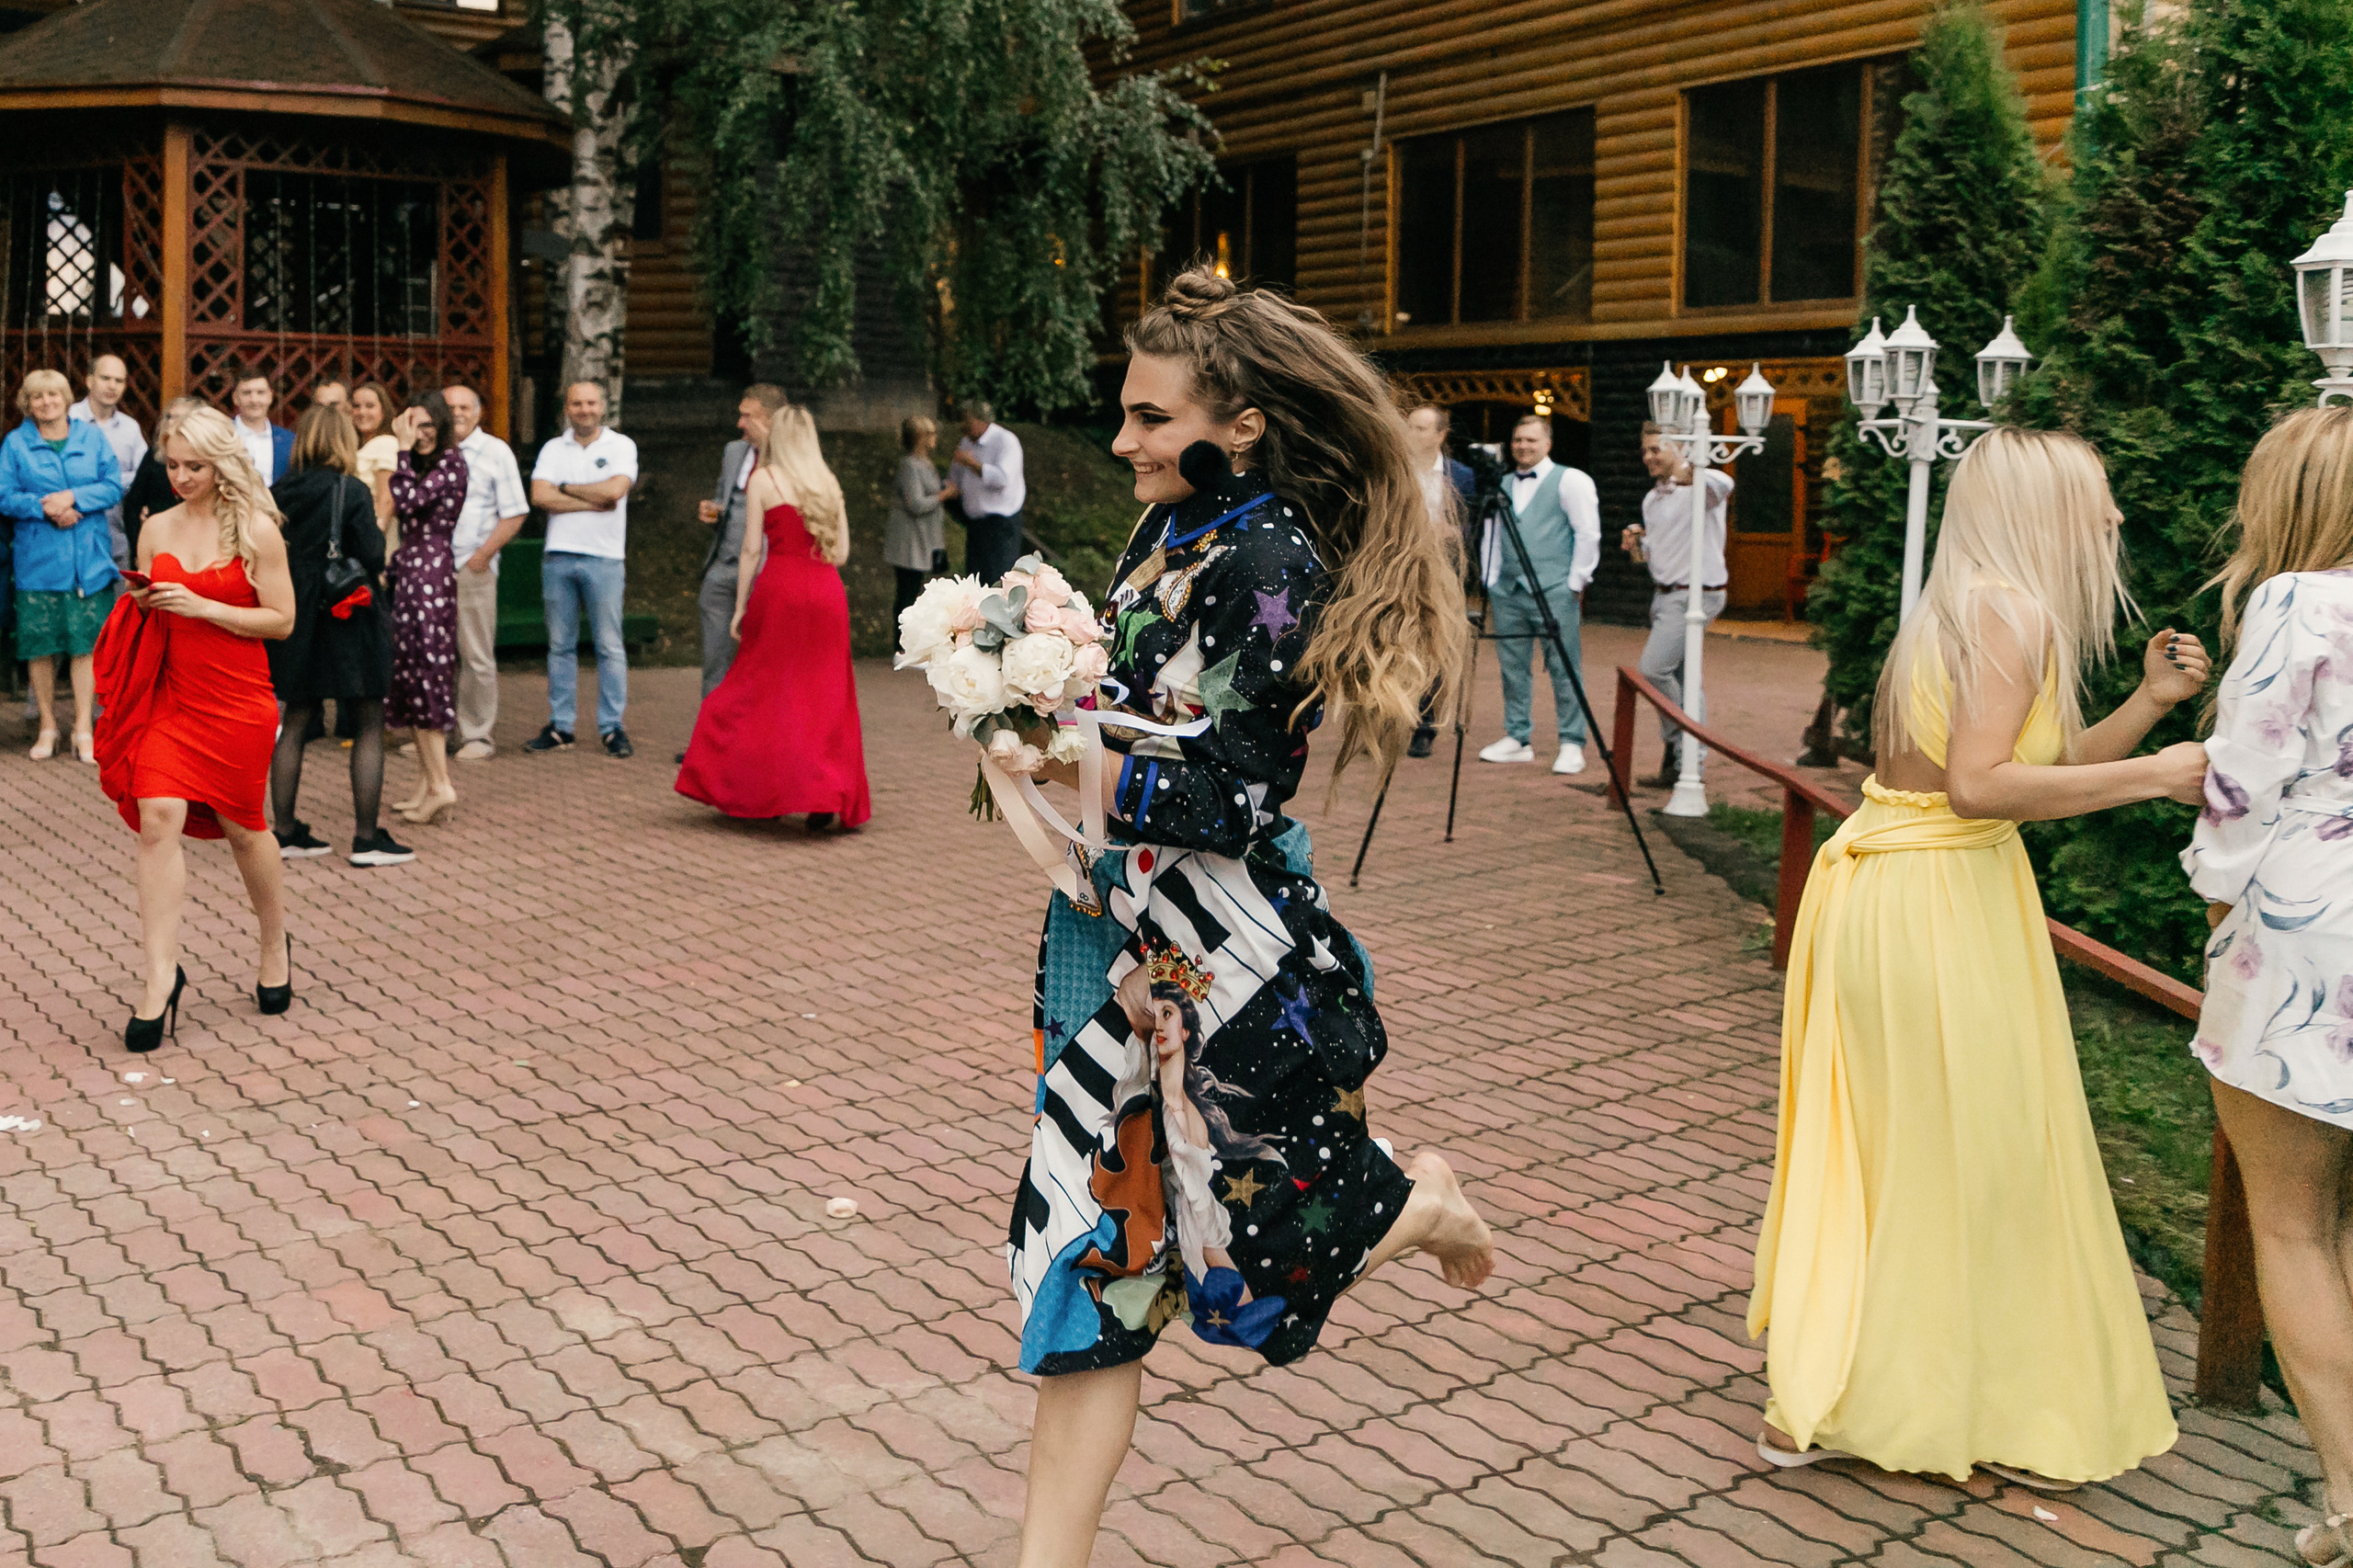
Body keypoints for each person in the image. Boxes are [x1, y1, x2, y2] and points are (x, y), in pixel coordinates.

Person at [1004, 268, 1491, 1568]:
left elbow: (1234, 785)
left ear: (1246, 420)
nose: (1125, 442)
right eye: (1125, 415)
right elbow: (1127, 710)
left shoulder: (1273, 557)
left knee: (1254, 1251)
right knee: (1092, 1266)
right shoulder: (1165, 532)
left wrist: (1064, 757)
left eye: (1152, 419)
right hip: (1110, 949)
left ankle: (1415, 1201)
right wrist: (1021, 703)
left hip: (1224, 961)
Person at [1749, 427, 2201, 1487]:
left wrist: (2146, 712)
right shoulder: (2010, 611)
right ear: (2043, 506)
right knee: (1967, 1154)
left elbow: (2016, 766)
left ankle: (1890, 1389)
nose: (2115, 519)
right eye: (2098, 496)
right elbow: (1984, 789)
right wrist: (2159, 774)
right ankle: (1914, 1398)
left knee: (1918, 1151)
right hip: (1935, 898)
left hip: (1911, 886)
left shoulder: (1966, 605)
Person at [2182, 404, 2353, 1566]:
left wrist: (2213, 897)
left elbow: (2238, 788)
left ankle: (2350, 1496)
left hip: (2306, 929)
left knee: (2290, 1223)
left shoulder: (2297, 601)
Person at [96, 406, 296, 1051]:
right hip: (173, 698)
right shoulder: (156, 529)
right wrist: (144, 601)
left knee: (245, 829)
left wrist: (205, 604)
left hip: (240, 702)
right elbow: (153, 612)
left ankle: (273, 941)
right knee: (158, 815)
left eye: (194, 466)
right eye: (172, 464)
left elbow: (283, 621)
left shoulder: (258, 529)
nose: (179, 476)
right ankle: (159, 976)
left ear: (222, 464)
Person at [675, 405, 870, 827]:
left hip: (780, 590)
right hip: (825, 592)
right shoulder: (828, 482)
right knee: (826, 694)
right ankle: (824, 795)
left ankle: (753, 787)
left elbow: (750, 551)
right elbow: (842, 554)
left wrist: (742, 606)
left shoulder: (764, 479)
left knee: (759, 687)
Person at [266, 403, 408, 869]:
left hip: (295, 615)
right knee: (368, 718)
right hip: (348, 615)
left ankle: (284, 831)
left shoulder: (277, 492)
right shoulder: (351, 490)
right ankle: (366, 839)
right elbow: (371, 553)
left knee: (296, 720)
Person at [3, 369, 125, 762]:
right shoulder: (16, 443)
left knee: (85, 646)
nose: (46, 403)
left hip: (88, 559)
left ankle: (84, 729)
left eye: (54, 395)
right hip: (38, 560)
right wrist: (46, 506)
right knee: (40, 647)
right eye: (37, 397)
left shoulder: (91, 437)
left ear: (67, 397)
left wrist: (73, 497)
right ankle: (48, 726)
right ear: (28, 402)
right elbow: (5, 496)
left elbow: (113, 484)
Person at [1475, 415, 1599, 775]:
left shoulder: (1571, 480)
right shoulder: (1501, 483)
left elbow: (1587, 532)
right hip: (1508, 588)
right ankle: (1517, 736)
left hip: (1554, 587)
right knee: (1512, 667)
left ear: (1547, 443)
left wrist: (1576, 581)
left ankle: (1572, 741)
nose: (1523, 447)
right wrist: (1490, 578)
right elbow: (1493, 534)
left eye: (1530, 440)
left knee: (1563, 666)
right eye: (1517, 440)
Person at [1621, 419, 1734, 790]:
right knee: (1685, 680)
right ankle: (1685, 761)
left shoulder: (1703, 487)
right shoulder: (1652, 499)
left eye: (1656, 449)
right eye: (1645, 450)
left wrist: (1692, 473)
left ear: (1681, 449)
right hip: (1664, 595)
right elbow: (1651, 556)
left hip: (1696, 595)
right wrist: (1637, 545)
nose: (1648, 457)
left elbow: (1725, 484)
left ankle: (1684, 745)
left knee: (1652, 671)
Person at [528, 381, 638, 758]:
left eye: (591, 402)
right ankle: (561, 726)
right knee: (560, 646)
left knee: (609, 646)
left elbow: (614, 492)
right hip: (558, 556)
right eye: (577, 403)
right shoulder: (553, 448)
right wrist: (589, 497)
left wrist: (565, 489)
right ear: (567, 408)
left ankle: (612, 727)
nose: (584, 409)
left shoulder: (621, 446)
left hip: (605, 558)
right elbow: (540, 496)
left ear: (602, 407)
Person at [383, 393, 468, 825]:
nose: (419, 434)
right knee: (413, 675)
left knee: (427, 676)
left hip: (430, 577)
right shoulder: (428, 465)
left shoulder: (452, 463)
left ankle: (440, 785)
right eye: (412, 425)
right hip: (413, 573)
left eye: (427, 425)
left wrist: (398, 450)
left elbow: (409, 501)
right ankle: (426, 781)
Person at [443, 382, 528, 762]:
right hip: (430, 571)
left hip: (472, 567)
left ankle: (478, 734)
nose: (458, 413)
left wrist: (481, 557)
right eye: (451, 407)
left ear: (479, 413)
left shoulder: (496, 452)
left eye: (465, 406)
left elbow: (515, 512)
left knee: (476, 656)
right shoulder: (430, 450)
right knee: (434, 655)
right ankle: (436, 734)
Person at [692, 383, 788, 706]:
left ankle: (755, 742)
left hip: (767, 572)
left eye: (748, 416)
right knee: (715, 661)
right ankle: (711, 744)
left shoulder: (792, 462)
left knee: (763, 663)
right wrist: (715, 512)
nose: (740, 423)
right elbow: (725, 500)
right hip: (724, 566)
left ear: (771, 420)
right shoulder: (734, 451)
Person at [1403, 402, 1472, 758]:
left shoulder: (1460, 476)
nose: (1411, 434)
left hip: (1441, 573)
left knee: (1433, 646)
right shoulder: (1394, 471)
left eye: (1420, 428)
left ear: (1440, 435)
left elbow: (1477, 525)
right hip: (1398, 570)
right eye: (1409, 426)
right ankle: (1387, 715)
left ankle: (1425, 723)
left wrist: (1455, 531)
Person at [71, 354, 146, 567]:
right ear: (89, 381)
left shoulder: (130, 428)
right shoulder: (68, 420)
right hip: (71, 533)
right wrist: (113, 484)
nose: (112, 386)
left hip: (116, 537)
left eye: (119, 381)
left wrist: (105, 483)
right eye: (105, 378)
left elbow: (142, 477)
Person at [951, 398, 1025, 585]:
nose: (962, 427)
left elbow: (1002, 479)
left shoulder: (1005, 441)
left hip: (1000, 524)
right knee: (975, 581)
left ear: (979, 420)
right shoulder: (965, 443)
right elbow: (956, 477)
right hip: (976, 524)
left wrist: (972, 464)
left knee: (997, 580)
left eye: (965, 422)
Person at [885, 414, 951, 622]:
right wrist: (943, 495)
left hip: (923, 541)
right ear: (921, 437)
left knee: (915, 595)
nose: (935, 437)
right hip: (909, 544)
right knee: (906, 597)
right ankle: (900, 647)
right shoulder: (909, 466)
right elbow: (915, 504)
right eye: (930, 433)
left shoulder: (925, 463)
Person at [121, 397, 198, 562]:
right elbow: (133, 505)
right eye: (169, 417)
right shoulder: (154, 456)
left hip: (194, 542)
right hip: (159, 543)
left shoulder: (204, 457)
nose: (172, 422)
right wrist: (138, 549)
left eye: (181, 418)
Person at [348, 382, 400, 539]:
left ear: (383, 411)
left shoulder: (386, 443)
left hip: (373, 531)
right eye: (356, 406)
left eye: (370, 406)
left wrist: (375, 537)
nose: (362, 412)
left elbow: (387, 498)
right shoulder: (357, 446)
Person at [228, 368, 293, 484]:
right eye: (247, 393)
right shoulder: (221, 434)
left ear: (270, 397)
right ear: (235, 398)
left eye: (261, 392)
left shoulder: (289, 441)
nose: (254, 400)